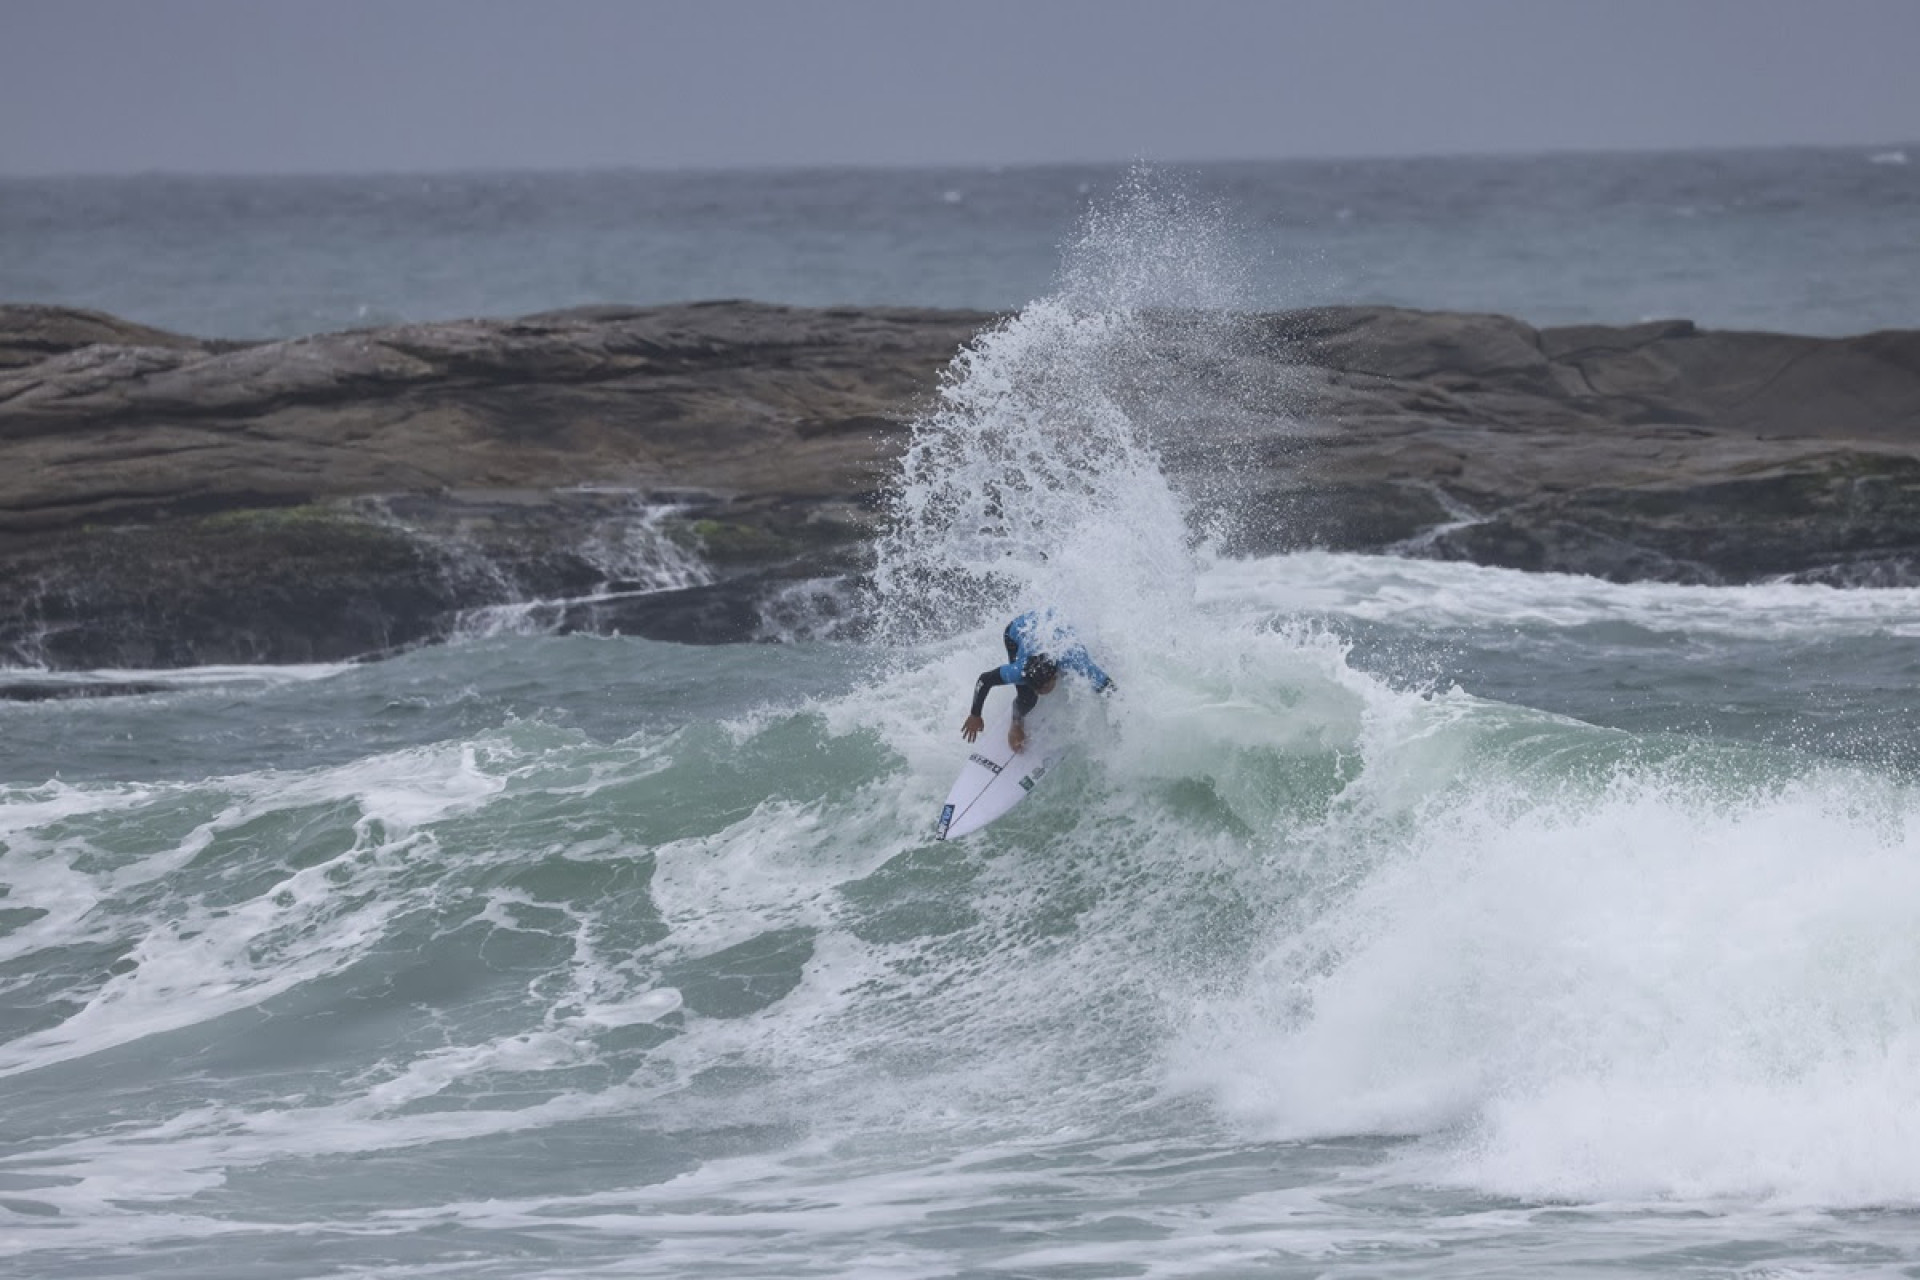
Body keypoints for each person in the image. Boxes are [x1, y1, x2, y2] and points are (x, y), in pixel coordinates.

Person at [961, 609, 1116, 753]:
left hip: (1055, 622)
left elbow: (1109, 686)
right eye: (1034, 687)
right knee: (1027, 699)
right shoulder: (1019, 669)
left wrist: (1118, 712)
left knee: (1095, 678)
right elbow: (984, 680)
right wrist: (975, 714)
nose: (1038, 693)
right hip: (1017, 629)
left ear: (1054, 676)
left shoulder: (1074, 659)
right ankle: (1016, 723)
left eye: (1041, 689)